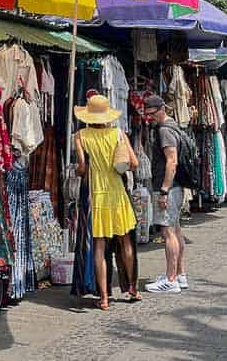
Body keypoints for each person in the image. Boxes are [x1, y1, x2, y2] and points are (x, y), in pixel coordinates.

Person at [73, 95, 141, 309]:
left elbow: (82, 168)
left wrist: (80, 170)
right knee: (125, 242)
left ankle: (103, 298)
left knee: (99, 246)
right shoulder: (118, 134)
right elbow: (134, 163)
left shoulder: (81, 135)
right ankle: (133, 289)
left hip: (97, 195)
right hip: (118, 194)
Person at [143, 95, 188, 294]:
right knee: (176, 230)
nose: (149, 118)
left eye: (152, 114)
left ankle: (171, 280)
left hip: (168, 187)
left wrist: (163, 190)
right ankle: (179, 274)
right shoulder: (174, 126)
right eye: (147, 115)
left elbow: (172, 161)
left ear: (161, 109)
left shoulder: (164, 131)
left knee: (167, 232)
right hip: (176, 187)